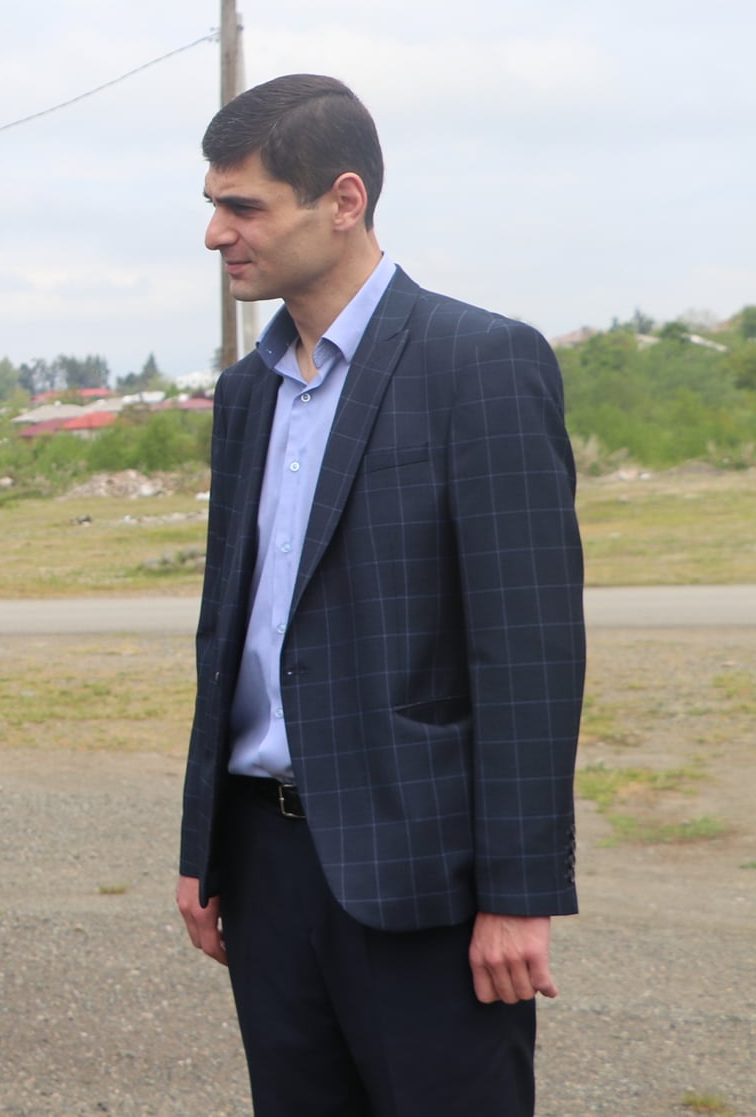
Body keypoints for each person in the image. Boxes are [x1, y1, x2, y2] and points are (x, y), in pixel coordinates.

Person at [175, 75, 586, 1115]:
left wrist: (518, 895)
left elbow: (526, 650)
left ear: (343, 201)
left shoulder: (477, 363)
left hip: (422, 877)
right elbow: (228, 634)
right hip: (265, 867)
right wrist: (202, 848)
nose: (216, 234)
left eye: (243, 207)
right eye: (213, 206)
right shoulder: (247, 392)